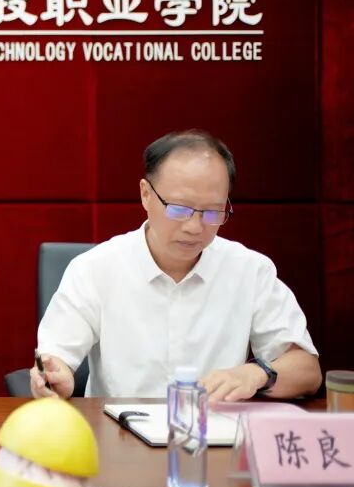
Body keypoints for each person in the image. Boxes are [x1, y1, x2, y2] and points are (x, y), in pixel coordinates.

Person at [32, 130, 321, 400]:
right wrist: (56, 377)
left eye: (212, 212)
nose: (194, 227)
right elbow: (55, 360)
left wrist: (257, 374)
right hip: (118, 431)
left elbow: (307, 370)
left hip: (214, 430)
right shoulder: (94, 269)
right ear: (146, 194)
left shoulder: (250, 270)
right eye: (179, 209)